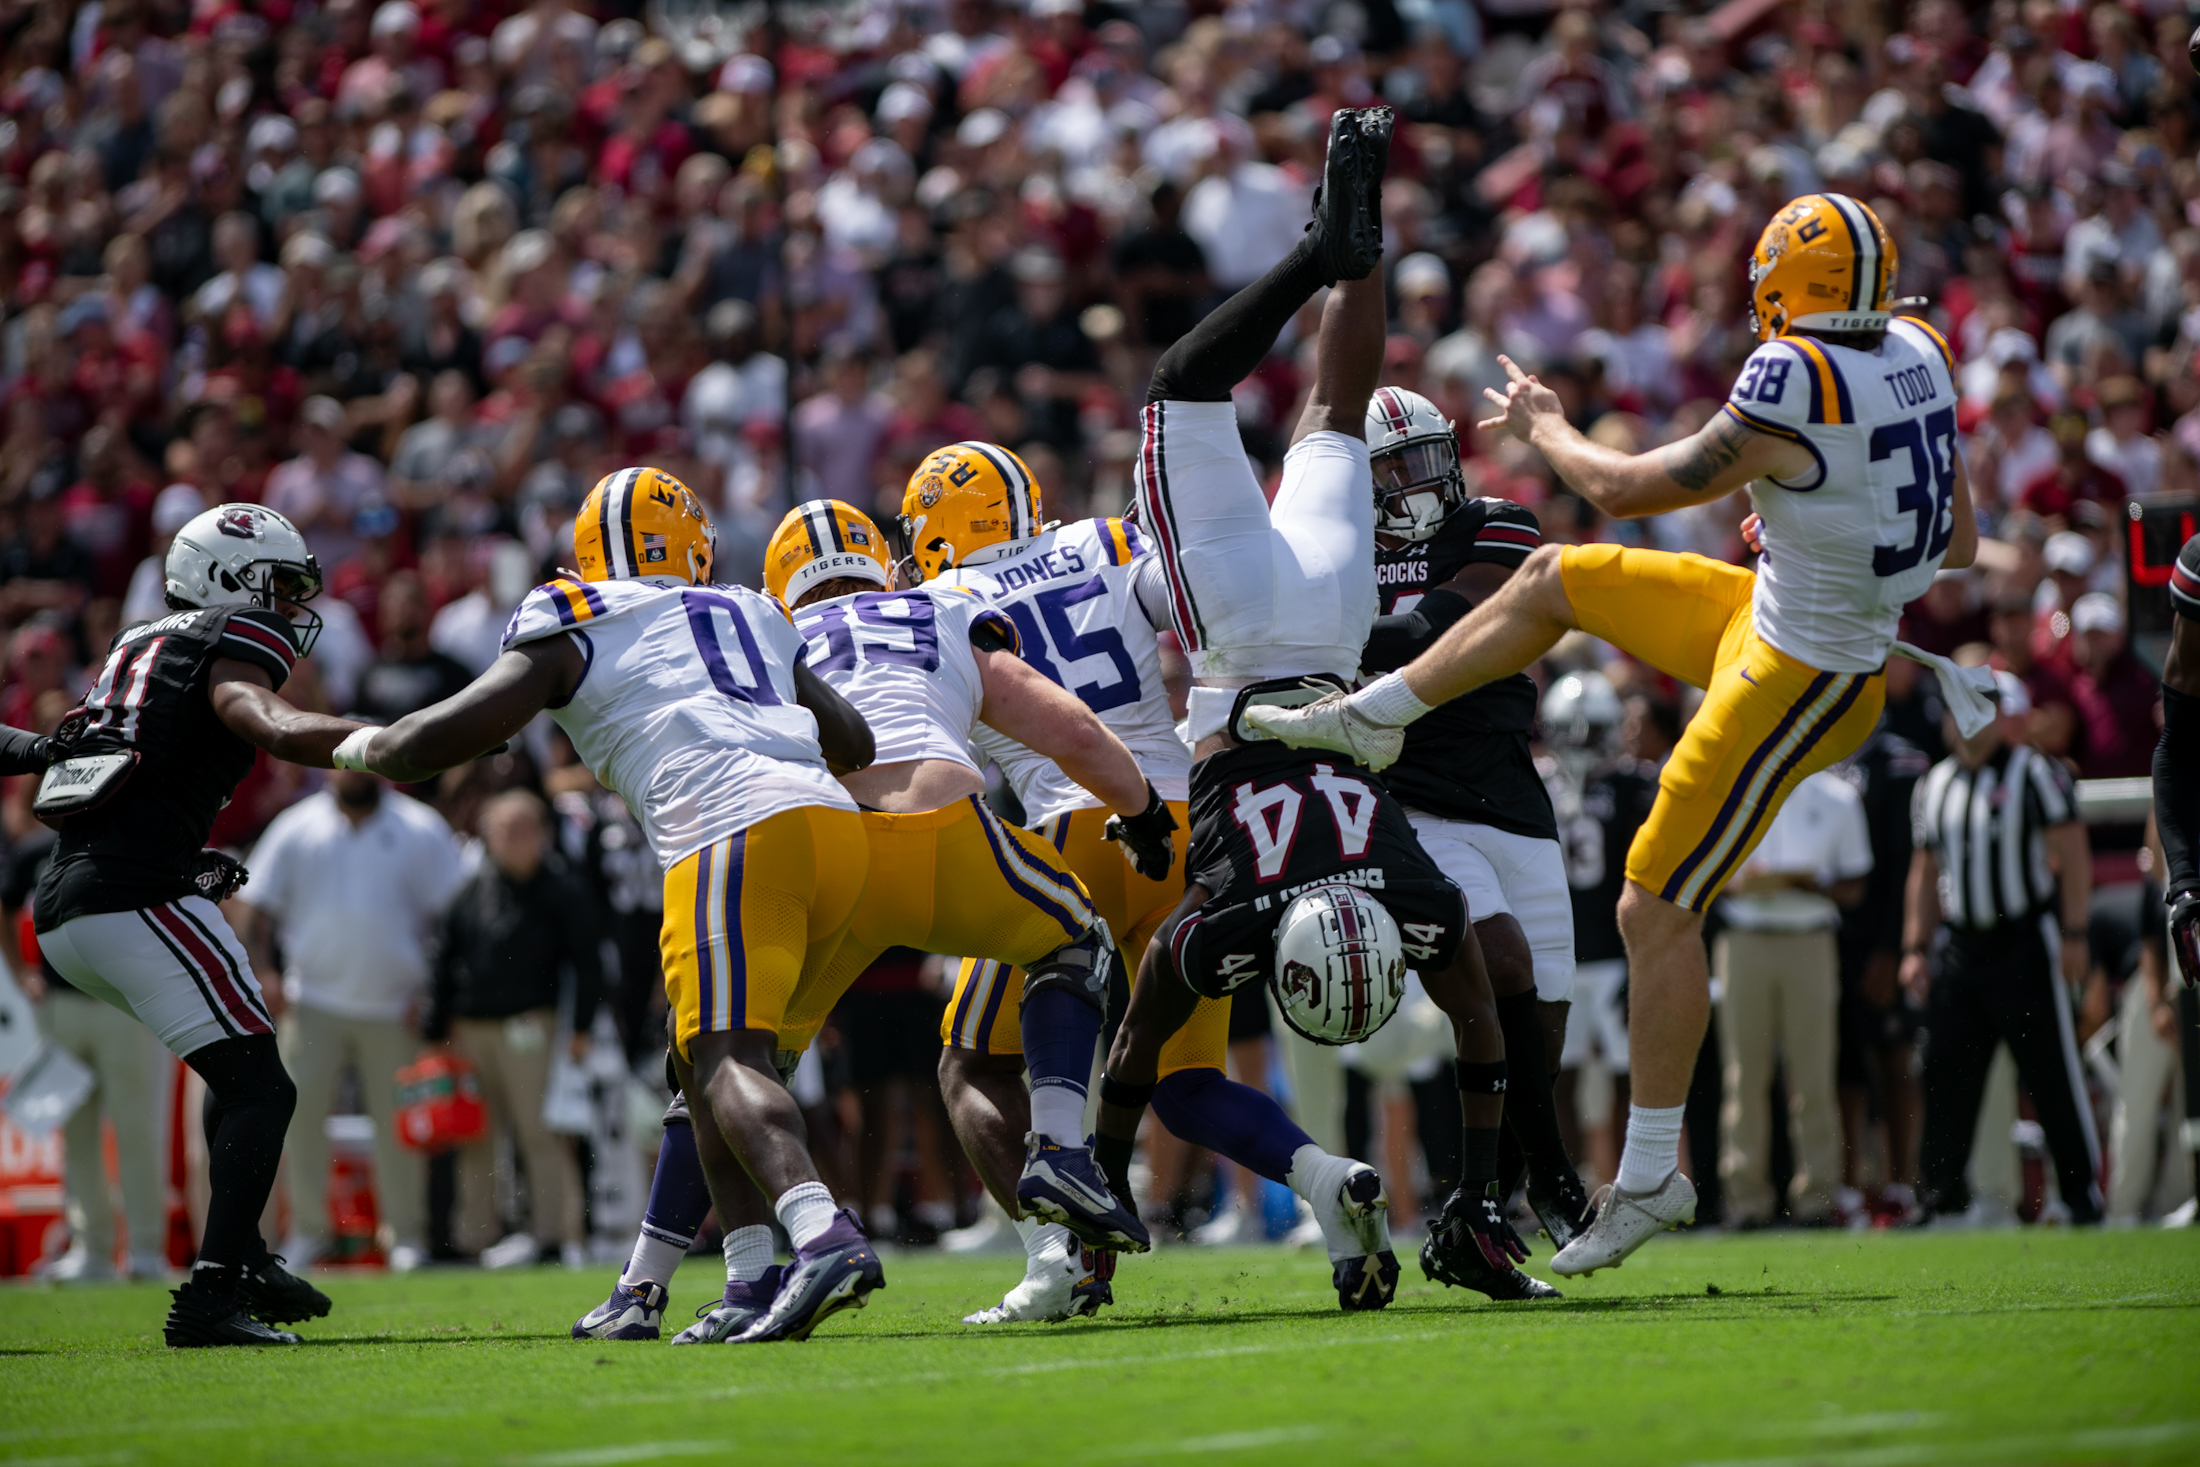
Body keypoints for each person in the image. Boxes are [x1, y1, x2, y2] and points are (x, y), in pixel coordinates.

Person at [1250, 193, 1980, 1275]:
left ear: (1783, 285)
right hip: (1773, 614)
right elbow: (1954, 539)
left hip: (1809, 672)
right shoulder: (1916, 347)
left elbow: (1625, 487)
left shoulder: (1793, 375)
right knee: (1556, 580)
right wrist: (1819, 512)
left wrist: (1543, 425)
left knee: (1652, 902)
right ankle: (1374, 717)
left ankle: (1647, 1174)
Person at [1098, 108, 1548, 1308]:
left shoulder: (1409, 901)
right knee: (1188, 389)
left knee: (1327, 417)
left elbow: (1476, 1026)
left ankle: (1350, 246)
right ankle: (1327, 252)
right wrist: (1101, 1196)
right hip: (1253, 644)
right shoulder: (1224, 927)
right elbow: (1135, 1060)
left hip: (1329, 623)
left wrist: (1476, 1185)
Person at [569, 491, 1170, 1344]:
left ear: (780, 585)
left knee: (724, 1061)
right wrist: (1140, 808)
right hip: (942, 837)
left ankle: (654, 1284)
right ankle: (1062, 1151)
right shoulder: (938, 602)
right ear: (886, 566)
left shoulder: (754, 632)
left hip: (828, 857)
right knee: (1075, 936)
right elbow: (1062, 726)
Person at [334, 467, 884, 1345]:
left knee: (727, 1060)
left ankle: (820, 1231)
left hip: (727, 825)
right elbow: (851, 740)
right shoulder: (748, 607)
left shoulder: (573, 613)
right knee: (701, 1066)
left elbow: (430, 743)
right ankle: (717, 1281)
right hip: (834, 833)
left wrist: (355, 742)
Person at [31, 503, 372, 1346]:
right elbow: (260, 719)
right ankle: (215, 1292)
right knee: (264, 1084)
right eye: (284, 585)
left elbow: (126, 775)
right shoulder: (228, 637)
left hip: (77, 903)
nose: (295, 606)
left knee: (240, 1073)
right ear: (229, 578)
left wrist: (186, 860)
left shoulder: (136, 643)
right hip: (130, 895)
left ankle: (244, 1255)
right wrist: (377, 741)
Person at [908, 444, 1198, 1322]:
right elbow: (1204, 608)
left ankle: (1053, 1259)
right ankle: (1332, 1192)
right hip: (1190, 811)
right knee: (1160, 1062)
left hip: (1076, 825)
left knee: (968, 1064)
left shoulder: (942, 599)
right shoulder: (1106, 539)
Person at [1359, 383, 1590, 1247]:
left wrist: (1330, 627)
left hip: (1510, 786)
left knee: (1545, 1019)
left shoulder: (1498, 522)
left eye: (1421, 459)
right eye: (1390, 470)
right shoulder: (1342, 547)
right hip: (1416, 792)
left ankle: (1503, 1197)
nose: (1411, 482)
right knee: (1498, 963)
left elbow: (1437, 627)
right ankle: (1519, 1189)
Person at [235, 766, 462, 1273]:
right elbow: (256, 907)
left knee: (400, 1128)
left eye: (366, 760)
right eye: (344, 762)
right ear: (328, 771)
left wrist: (430, 993)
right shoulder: (295, 826)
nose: (354, 772)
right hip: (311, 1003)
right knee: (299, 1122)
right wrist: (266, 973)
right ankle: (309, 1233)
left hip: (397, 1006)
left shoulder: (420, 827)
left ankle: (405, 1236)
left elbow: (454, 916)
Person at [1901, 673, 2101, 1224]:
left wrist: (2075, 932)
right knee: (1942, 1069)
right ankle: (1938, 1196)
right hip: (1960, 947)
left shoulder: (2034, 772)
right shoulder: (1933, 783)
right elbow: (1924, 870)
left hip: (2023, 943)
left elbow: (2073, 851)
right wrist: (1914, 947)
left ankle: (2081, 1195)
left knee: (2050, 1073)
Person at [423, 789, 602, 1266]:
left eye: (524, 829)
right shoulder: (470, 891)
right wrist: (434, 1030)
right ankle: (474, 1238)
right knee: (474, 1138)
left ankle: (554, 1234)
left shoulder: (563, 890)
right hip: (470, 1029)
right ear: (488, 836)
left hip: (532, 1026)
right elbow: (442, 957)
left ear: (543, 834)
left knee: (541, 1134)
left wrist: (581, 1027)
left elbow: (589, 963)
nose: (514, 839)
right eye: (504, 829)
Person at [1, 819, 170, 1283]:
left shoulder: (130, 840)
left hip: (124, 1005)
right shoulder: (36, 850)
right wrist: (20, 974)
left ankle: (146, 1250)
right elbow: (6, 901)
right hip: (61, 1007)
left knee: (137, 1129)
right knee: (77, 1133)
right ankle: (92, 1250)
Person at [1713, 767, 1871, 1228]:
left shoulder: (1839, 796)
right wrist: (1737, 881)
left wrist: (1812, 884)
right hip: (1743, 935)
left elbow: (1856, 884)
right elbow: (1705, 868)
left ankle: (1818, 1198)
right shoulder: (1731, 787)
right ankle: (1745, 1200)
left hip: (1810, 937)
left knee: (1813, 1075)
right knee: (1743, 1075)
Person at [1553, 681, 1675, 1188]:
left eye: (1593, 731)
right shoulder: (1543, 783)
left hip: (1611, 953)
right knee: (1560, 1076)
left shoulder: (1633, 786)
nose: (1582, 742)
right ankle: (1562, 1179)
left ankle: (1637, 1178)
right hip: (1566, 955)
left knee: (1629, 1071)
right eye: (1573, 731)